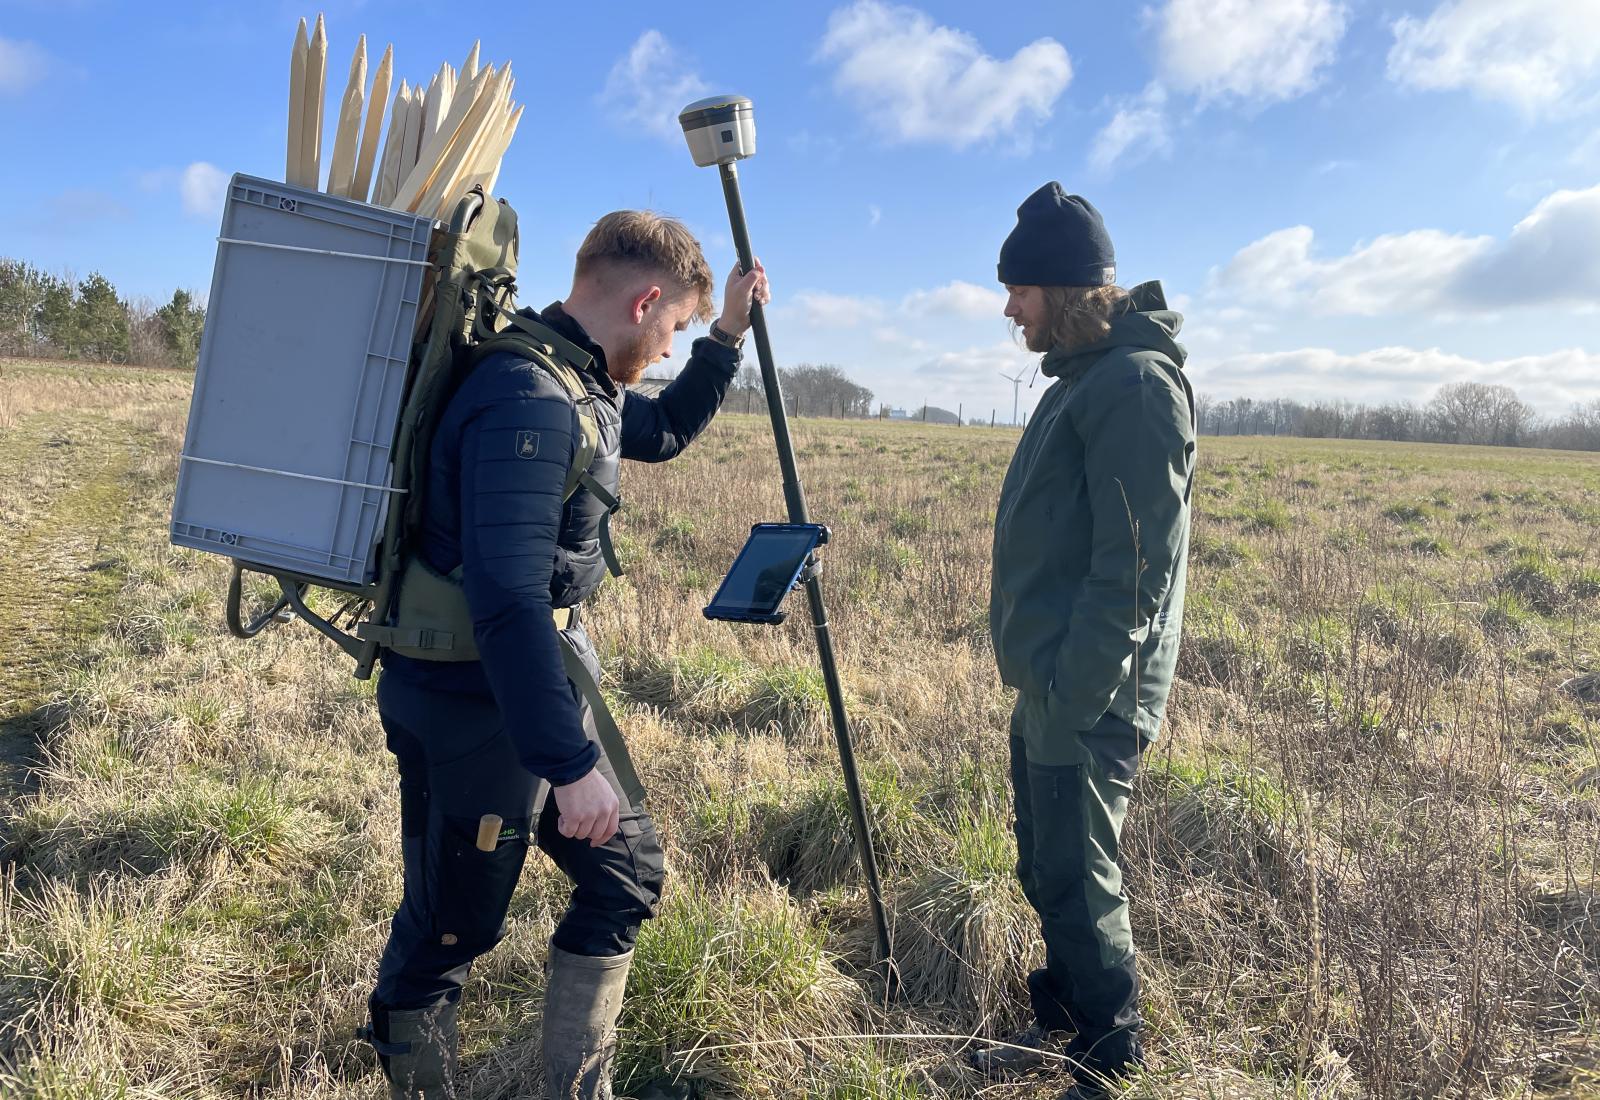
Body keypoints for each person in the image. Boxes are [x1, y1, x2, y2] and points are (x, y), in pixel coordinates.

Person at [360, 209, 769, 1099]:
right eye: (675, 329)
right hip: (470, 704)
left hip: (527, 692)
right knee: (447, 931)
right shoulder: (528, 401)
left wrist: (727, 334)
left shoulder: (577, 381)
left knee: (626, 876)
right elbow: (506, 598)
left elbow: (658, 431)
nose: (667, 350)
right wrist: (571, 761)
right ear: (646, 298)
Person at [972, 183, 1195, 1099]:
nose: (1010, 308)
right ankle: (1061, 1023)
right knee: (1046, 863)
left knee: (1080, 870)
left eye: (1018, 290)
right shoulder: (1088, 379)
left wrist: (1076, 693)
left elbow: (1131, 572)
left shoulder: (1137, 389)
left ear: (1060, 289)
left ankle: (1108, 1061)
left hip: (1091, 691)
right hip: (1056, 682)